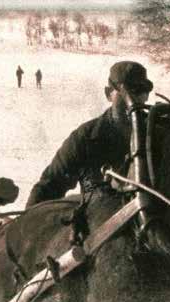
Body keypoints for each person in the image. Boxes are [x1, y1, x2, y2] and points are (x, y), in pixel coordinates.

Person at [25, 61, 153, 207]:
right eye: (125, 94)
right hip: (100, 224)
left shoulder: (159, 135)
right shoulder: (86, 138)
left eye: (139, 92)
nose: (132, 102)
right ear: (108, 93)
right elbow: (49, 186)